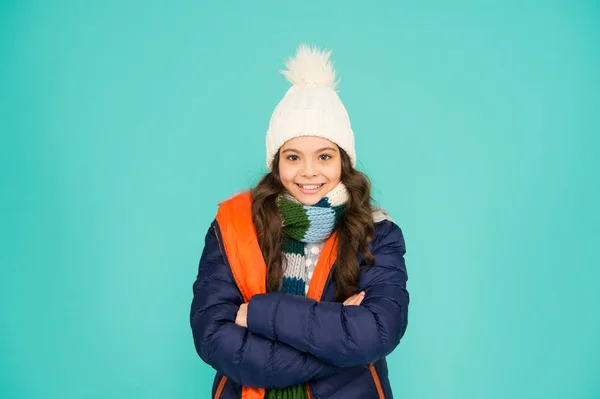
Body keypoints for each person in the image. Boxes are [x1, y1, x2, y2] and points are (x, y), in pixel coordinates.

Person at [190, 43, 410, 399]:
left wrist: (259, 314)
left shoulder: (378, 233)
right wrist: (338, 341)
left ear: (343, 162)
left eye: (324, 156)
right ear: (277, 164)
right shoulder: (232, 226)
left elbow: (377, 331)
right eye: (293, 156)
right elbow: (213, 336)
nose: (309, 172)